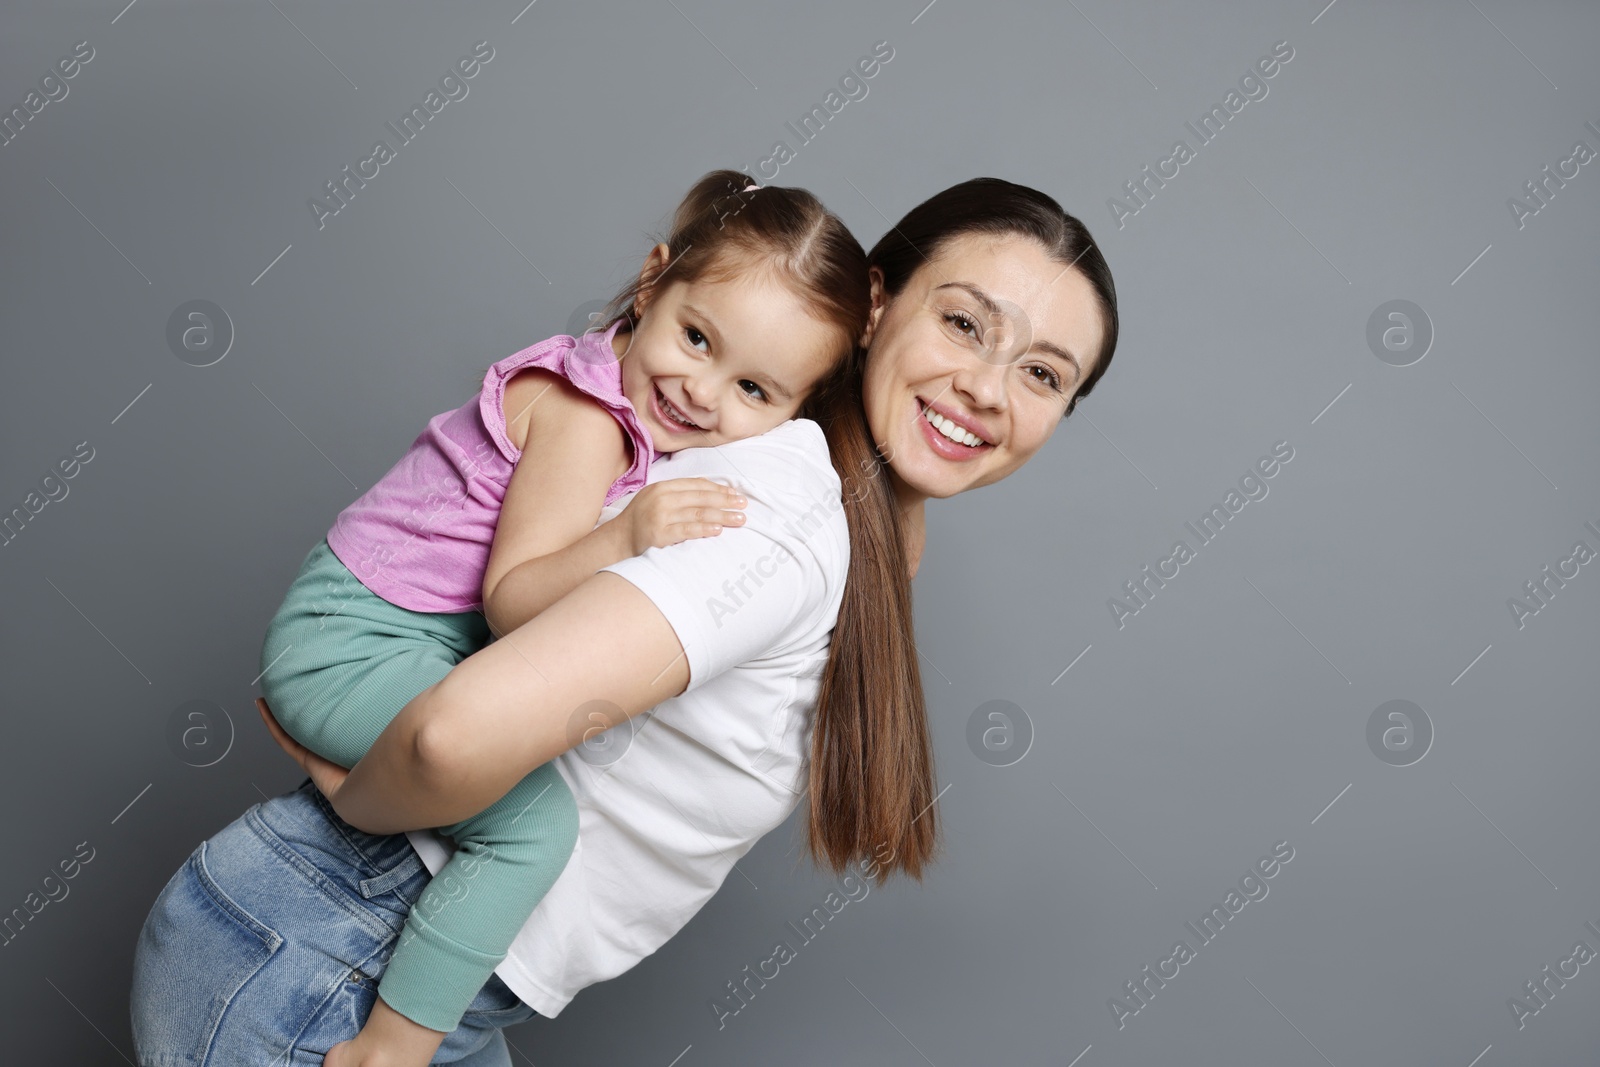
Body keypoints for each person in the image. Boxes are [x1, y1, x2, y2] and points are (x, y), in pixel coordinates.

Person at [129, 177, 1119, 1066]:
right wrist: (360, 802)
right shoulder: (781, 515)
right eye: (964, 323)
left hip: (393, 962)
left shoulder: (846, 519)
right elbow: (451, 733)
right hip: (337, 954)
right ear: (874, 300)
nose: (987, 388)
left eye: (1042, 374)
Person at [247, 168, 874, 1066]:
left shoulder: (620, 393)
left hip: (385, 631)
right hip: (351, 638)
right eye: (697, 338)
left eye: (754, 392)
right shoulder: (590, 417)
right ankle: (387, 1045)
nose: (703, 393)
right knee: (531, 828)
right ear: (653, 282)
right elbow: (513, 599)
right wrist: (624, 536)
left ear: (794, 413)